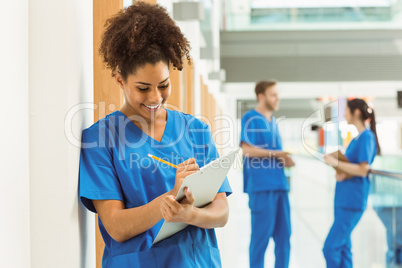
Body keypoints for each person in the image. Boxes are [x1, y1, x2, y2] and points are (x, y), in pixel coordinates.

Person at [79, 3, 232, 267]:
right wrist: (169, 199)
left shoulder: (195, 131)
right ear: (119, 80)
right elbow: (116, 226)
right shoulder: (100, 140)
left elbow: (221, 211)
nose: (155, 98)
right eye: (143, 88)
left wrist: (189, 214)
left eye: (163, 85)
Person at [240, 80, 295, 268]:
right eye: (273, 94)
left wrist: (283, 159)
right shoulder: (251, 118)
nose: (277, 98)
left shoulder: (273, 122)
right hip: (262, 187)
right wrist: (277, 154)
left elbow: (272, 152)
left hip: (280, 185)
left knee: (284, 238)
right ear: (261, 96)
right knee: (260, 240)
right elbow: (247, 150)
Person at [323, 98, 380, 268]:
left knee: (330, 248)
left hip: (352, 201)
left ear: (356, 112)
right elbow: (353, 167)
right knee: (343, 247)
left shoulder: (367, 137)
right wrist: (343, 173)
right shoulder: (356, 139)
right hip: (343, 199)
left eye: (346, 111)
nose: (344, 115)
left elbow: (363, 169)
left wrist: (336, 163)